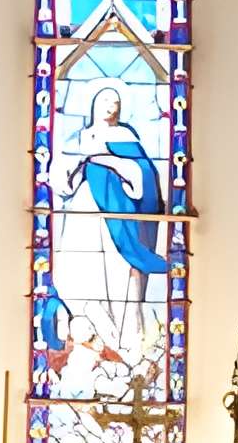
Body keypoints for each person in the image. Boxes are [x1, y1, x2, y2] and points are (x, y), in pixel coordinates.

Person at [50, 84, 170, 362]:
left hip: (117, 213)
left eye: (115, 100)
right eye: (105, 99)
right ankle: (87, 337)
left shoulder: (124, 136)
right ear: (93, 102)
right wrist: (82, 162)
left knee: (120, 273)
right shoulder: (79, 137)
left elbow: (144, 176)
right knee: (76, 270)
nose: (111, 105)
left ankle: (126, 343)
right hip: (84, 210)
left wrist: (107, 160)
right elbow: (61, 180)